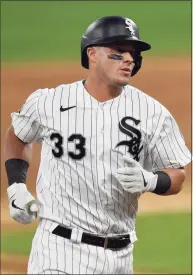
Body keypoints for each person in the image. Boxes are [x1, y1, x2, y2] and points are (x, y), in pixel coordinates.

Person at [4, 16, 191, 274]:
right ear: (92, 54)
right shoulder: (49, 102)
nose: (129, 59)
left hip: (121, 258)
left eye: (133, 54)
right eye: (118, 52)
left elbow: (178, 175)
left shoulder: (153, 113)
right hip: (59, 250)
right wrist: (16, 186)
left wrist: (150, 181)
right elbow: (18, 135)